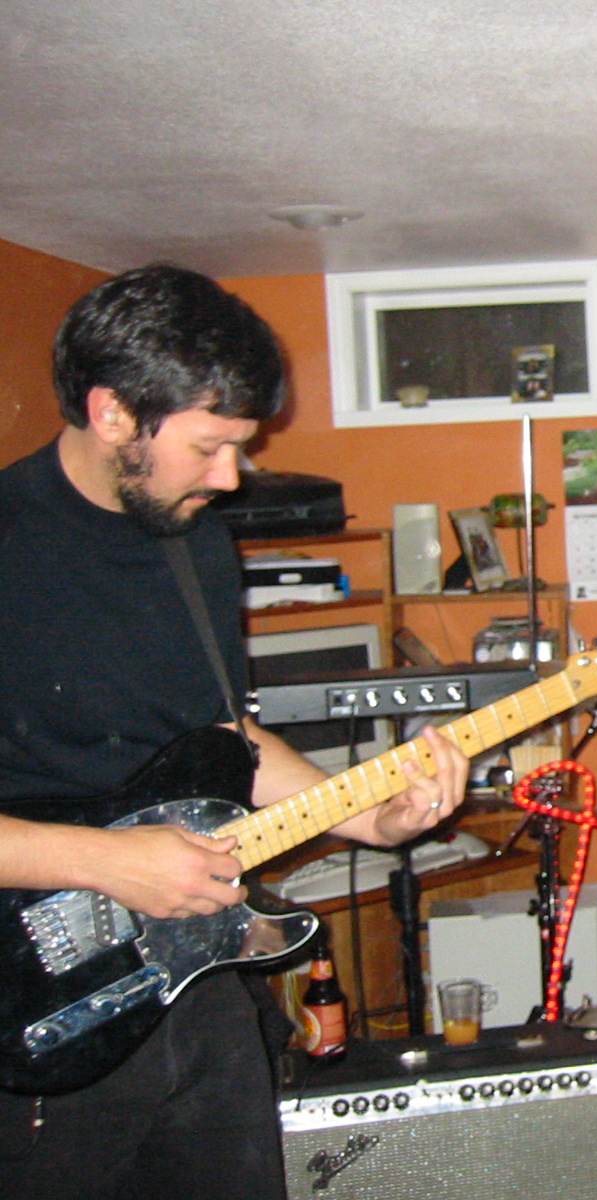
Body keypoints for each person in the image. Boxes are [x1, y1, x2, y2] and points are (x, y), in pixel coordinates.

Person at [0, 264, 468, 1199]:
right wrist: (106, 862)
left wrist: (370, 818)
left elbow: (224, 739)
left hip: (201, 986)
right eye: (210, 446)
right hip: (36, 1005)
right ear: (112, 413)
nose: (229, 478)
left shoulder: (196, 545)